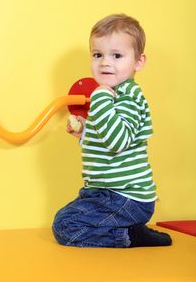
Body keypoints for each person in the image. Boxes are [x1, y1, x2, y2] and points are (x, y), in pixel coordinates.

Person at [52, 14, 172, 248]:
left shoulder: (127, 97)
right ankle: (130, 229)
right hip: (102, 192)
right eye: (98, 55)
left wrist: (100, 97)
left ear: (138, 62)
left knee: (65, 226)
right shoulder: (109, 95)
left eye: (117, 56)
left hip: (126, 197)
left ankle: (128, 236)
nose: (105, 62)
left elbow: (118, 142)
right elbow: (107, 143)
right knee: (65, 217)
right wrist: (85, 133)